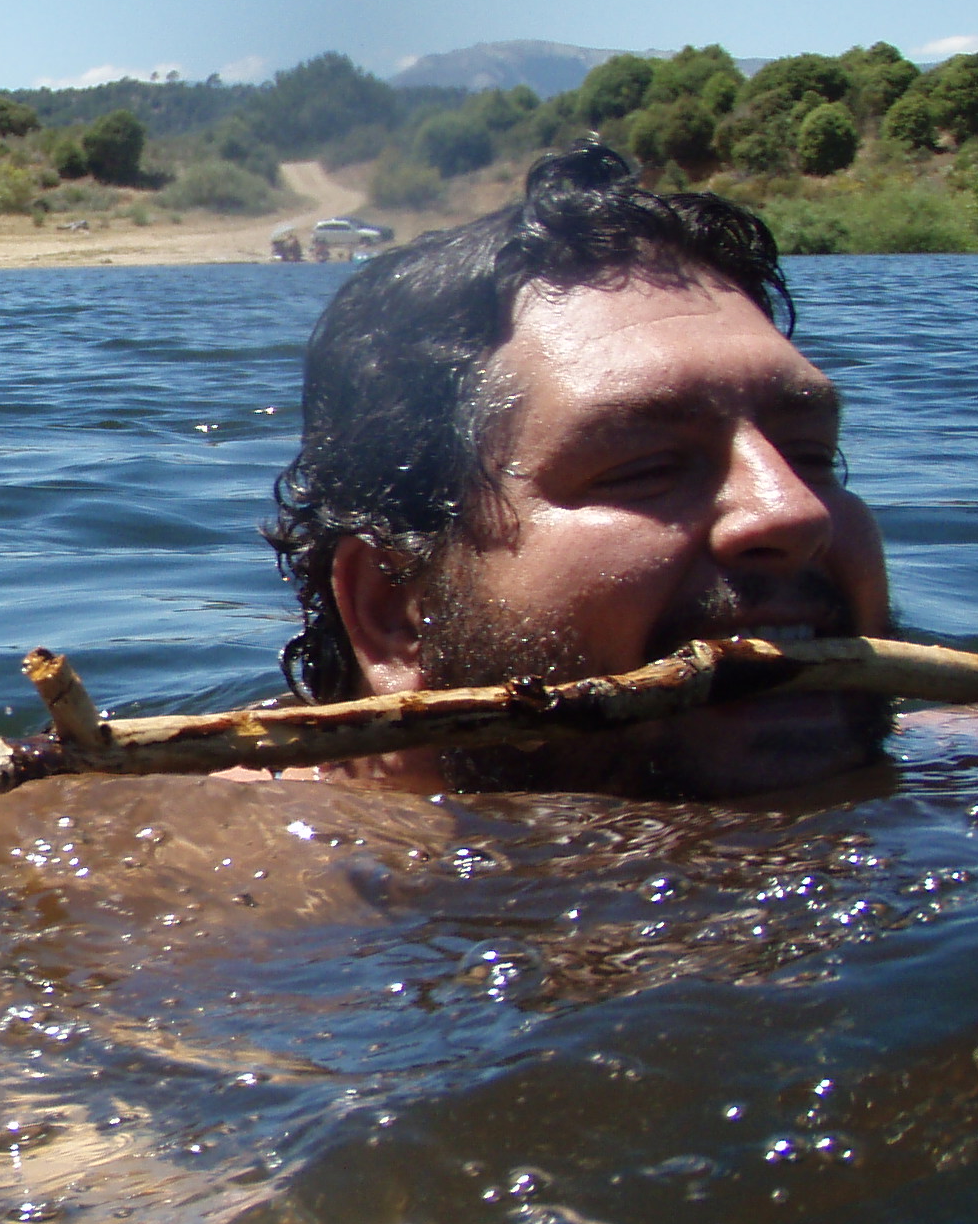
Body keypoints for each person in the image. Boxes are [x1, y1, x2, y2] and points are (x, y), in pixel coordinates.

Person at [259, 139, 894, 799]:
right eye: (648, 469)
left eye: (812, 457)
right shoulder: (219, 855)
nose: (796, 513)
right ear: (397, 614)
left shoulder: (966, 772)